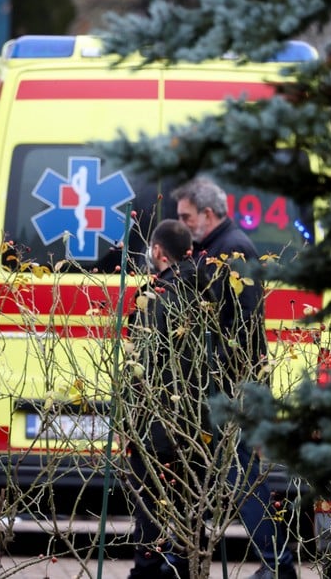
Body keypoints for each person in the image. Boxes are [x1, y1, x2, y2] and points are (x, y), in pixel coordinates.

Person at [172, 177, 297, 579]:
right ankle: (185, 556)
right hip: (223, 384)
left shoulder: (233, 249)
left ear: (208, 214)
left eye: (186, 217)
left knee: (240, 477)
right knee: (207, 472)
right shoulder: (213, 249)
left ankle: (278, 564)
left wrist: (215, 372)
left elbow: (243, 324)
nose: (182, 224)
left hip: (234, 386)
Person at [126, 220, 211, 579]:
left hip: (159, 418)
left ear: (159, 253)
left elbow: (142, 365)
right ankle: (189, 566)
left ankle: (147, 568)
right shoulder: (209, 290)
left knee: (150, 499)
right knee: (191, 501)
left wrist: (130, 419)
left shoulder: (157, 298)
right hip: (199, 421)